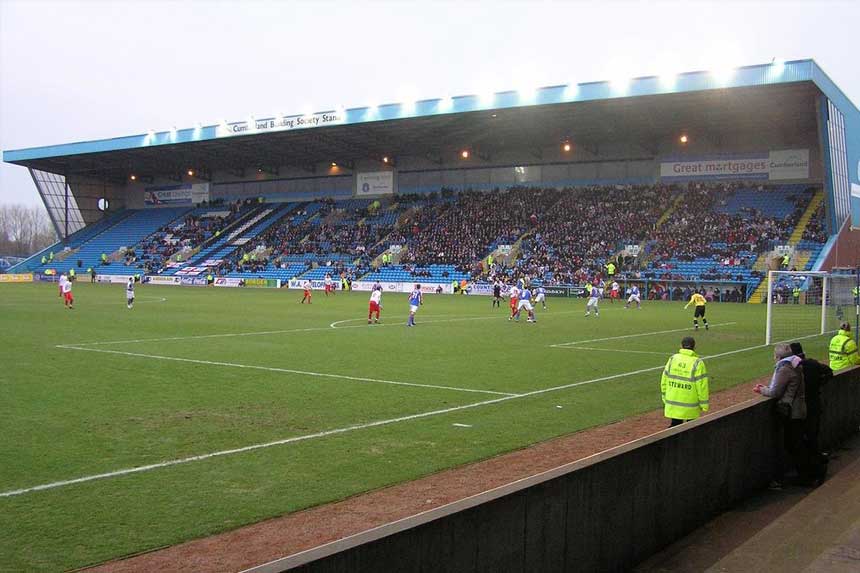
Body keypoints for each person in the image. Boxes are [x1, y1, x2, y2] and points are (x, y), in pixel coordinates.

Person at [754, 343, 825, 487]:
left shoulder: (785, 369)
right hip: (798, 410)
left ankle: (810, 474)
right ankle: (812, 472)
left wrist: (762, 390)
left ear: (778, 356)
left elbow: (775, 392)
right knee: (797, 443)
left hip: (793, 412)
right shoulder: (795, 365)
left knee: (794, 444)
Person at [790, 342, 833, 456]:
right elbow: (829, 372)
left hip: (799, 407)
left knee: (799, 437)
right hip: (814, 403)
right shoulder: (813, 364)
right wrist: (820, 382)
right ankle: (816, 460)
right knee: (813, 433)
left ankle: (808, 465)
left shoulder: (791, 367)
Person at [661, 337, 709, 427]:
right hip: (690, 405)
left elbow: (664, 379)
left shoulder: (673, 359)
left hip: (673, 402)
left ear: (681, 346)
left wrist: (664, 396)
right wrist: (704, 404)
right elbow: (702, 386)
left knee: (674, 425)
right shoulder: (698, 363)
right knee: (691, 428)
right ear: (695, 347)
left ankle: (672, 441)